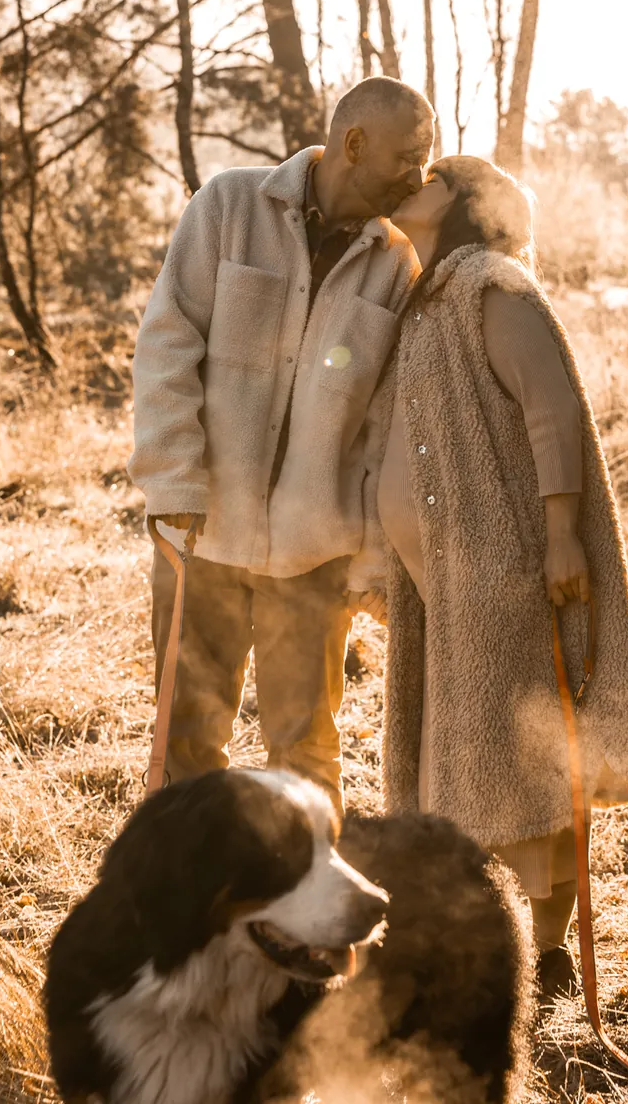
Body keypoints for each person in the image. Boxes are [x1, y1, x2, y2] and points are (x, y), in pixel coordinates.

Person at [359, 156, 628, 998]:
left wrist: (562, 535)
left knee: (523, 759)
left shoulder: (493, 286)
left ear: (466, 204)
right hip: (441, 580)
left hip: (501, 567)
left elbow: (551, 411)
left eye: (435, 174)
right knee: (453, 755)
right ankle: (462, 944)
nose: (413, 178)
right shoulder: (424, 296)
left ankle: (549, 954)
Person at [127, 77, 435, 812]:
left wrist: (370, 558)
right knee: (188, 740)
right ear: (353, 143)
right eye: (408, 157)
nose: (417, 178)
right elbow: (167, 345)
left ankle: (307, 887)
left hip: (313, 556)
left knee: (305, 753)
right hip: (202, 534)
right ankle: (197, 883)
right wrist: (172, 483)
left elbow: (386, 427)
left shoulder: (399, 263)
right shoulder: (228, 207)